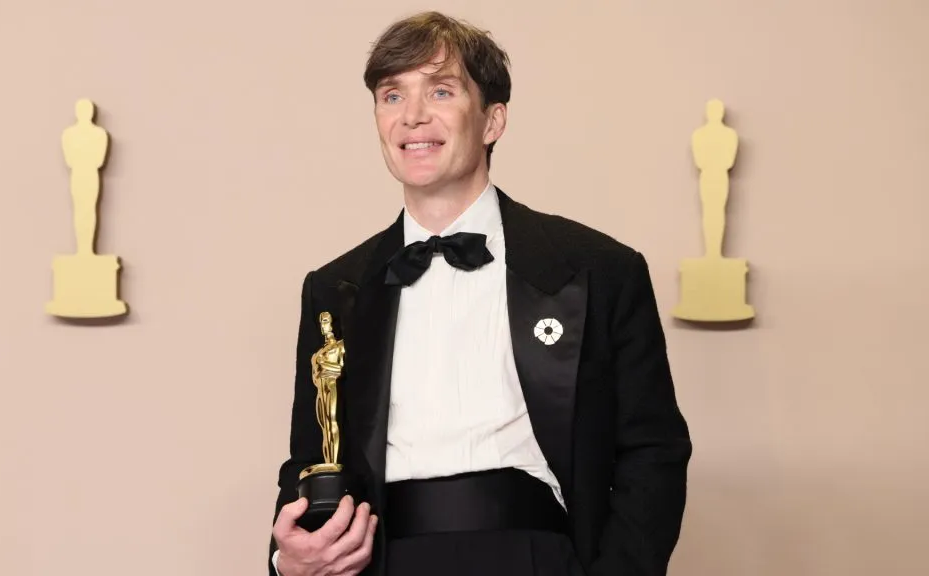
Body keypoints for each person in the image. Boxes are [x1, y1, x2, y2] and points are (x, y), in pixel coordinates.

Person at [268, 11, 692, 576]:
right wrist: (286, 561)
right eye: (392, 96)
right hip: (385, 561)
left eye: (441, 90)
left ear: (493, 120)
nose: (412, 116)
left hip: (536, 556)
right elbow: (310, 459)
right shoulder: (333, 290)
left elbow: (653, 452)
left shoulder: (599, 268)